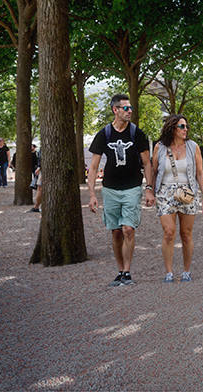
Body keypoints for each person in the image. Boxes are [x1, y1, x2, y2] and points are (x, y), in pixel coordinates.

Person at [86, 94, 152, 286]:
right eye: (125, 108)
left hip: (132, 187)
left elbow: (147, 164)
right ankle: (120, 270)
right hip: (110, 189)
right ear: (115, 110)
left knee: (128, 229)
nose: (129, 111)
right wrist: (92, 194)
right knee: (116, 232)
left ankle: (128, 272)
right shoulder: (104, 134)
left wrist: (149, 189)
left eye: (130, 108)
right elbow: (93, 166)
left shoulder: (137, 134)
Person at [148, 114, 203, 283]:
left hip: (187, 194)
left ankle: (186, 271)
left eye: (186, 127)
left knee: (186, 233)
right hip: (165, 193)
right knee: (169, 233)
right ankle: (169, 272)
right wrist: (149, 191)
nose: (186, 130)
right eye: (182, 126)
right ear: (172, 128)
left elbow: (200, 173)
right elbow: (153, 171)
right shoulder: (159, 147)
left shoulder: (193, 147)